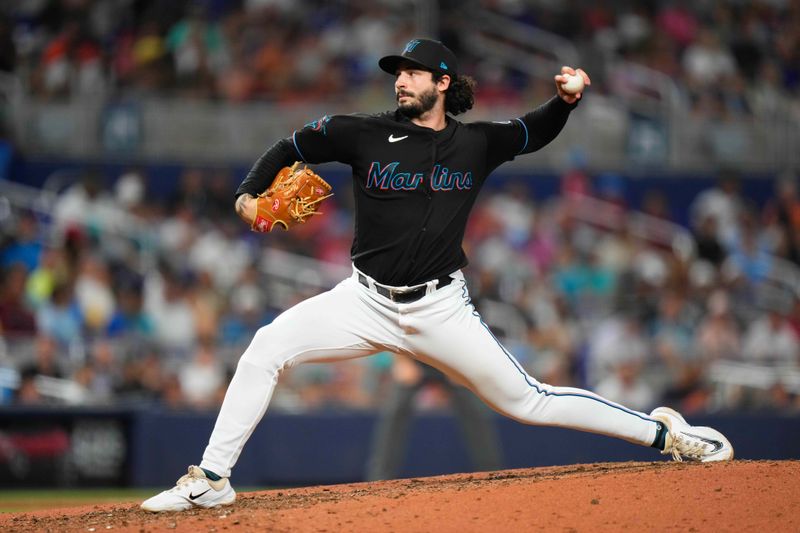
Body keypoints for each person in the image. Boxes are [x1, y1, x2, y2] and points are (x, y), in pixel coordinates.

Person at [142, 38, 733, 512]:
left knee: (529, 402)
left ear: (443, 83)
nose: (401, 79)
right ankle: (213, 478)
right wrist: (248, 194)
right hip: (362, 301)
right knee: (265, 347)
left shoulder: (476, 143)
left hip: (439, 309)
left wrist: (568, 101)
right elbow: (289, 144)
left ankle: (666, 435)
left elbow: (535, 130)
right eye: (397, 72)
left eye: (415, 72)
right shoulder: (362, 132)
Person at [365, 355, 502, 481]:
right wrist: (401, 361)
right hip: (414, 356)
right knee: (395, 409)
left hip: (450, 358)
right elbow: (397, 329)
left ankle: (492, 472)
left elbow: (469, 329)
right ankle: (379, 478)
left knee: (474, 410)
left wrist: (460, 362)